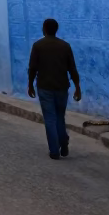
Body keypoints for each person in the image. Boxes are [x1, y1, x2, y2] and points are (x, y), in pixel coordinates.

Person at [26, 18, 81, 160]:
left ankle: (54, 150)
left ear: (44, 29)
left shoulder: (38, 46)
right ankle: (63, 142)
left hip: (45, 87)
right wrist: (77, 87)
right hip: (62, 87)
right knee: (59, 117)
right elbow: (72, 69)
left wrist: (30, 84)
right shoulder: (65, 46)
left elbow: (32, 68)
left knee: (50, 118)